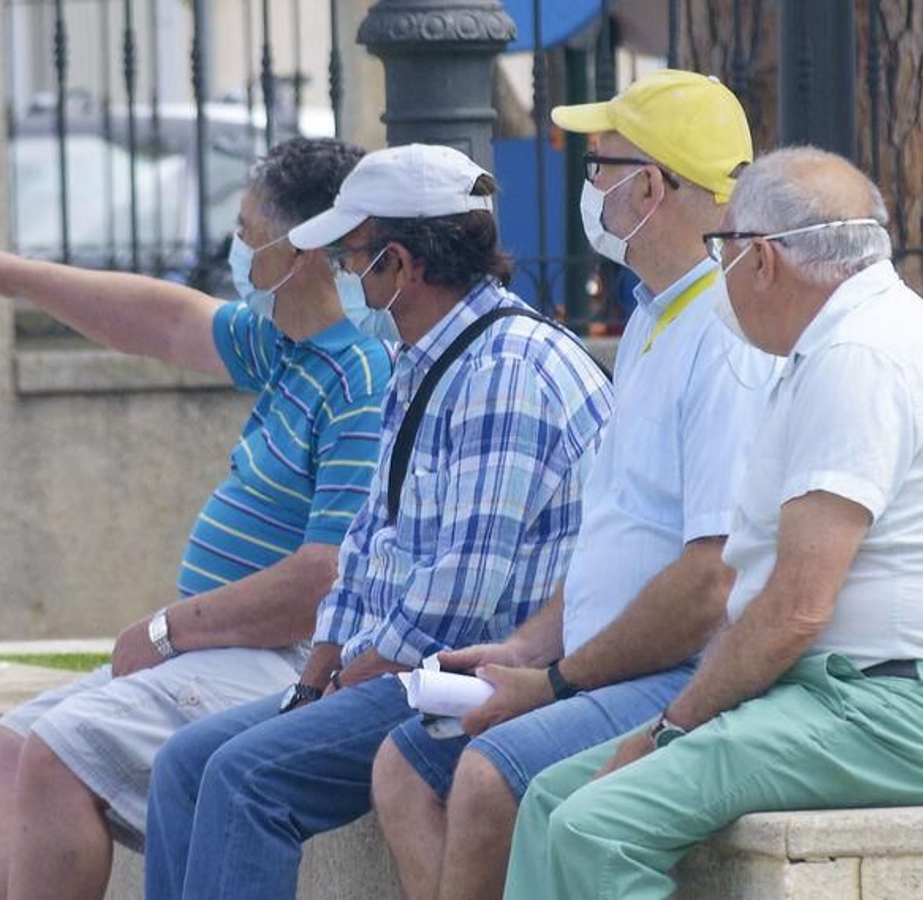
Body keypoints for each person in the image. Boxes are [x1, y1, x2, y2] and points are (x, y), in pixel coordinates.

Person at [504, 146, 923, 899]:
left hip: (895, 713)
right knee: (552, 799)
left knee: (595, 826)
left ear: (761, 260)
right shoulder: (841, 343)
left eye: (722, 250)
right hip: (841, 699)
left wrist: (672, 727)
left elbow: (796, 607)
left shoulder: (861, 354)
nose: (716, 273)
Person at [0, 136, 393, 900]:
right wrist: (4, 274)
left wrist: (171, 630)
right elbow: (158, 321)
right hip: (230, 649)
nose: (235, 252)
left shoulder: (361, 372)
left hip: (290, 659)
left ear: (299, 252)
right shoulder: (287, 348)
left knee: (61, 751)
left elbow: (324, 577)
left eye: (245, 233)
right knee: (10, 744)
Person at [141, 143, 614, 900]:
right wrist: (326, 655)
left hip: (472, 678)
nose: (342, 274)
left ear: (400, 264)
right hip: (408, 667)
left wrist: (356, 670)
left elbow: (457, 601)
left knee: (244, 778)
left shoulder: (506, 372)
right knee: (185, 762)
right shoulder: (425, 355)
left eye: (351, 256)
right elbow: (370, 538)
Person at [369, 70, 777, 900]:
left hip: (681, 674)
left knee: (486, 777)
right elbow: (616, 536)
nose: (588, 188)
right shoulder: (656, 315)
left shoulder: (724, 340)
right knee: (406, 763)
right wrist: (528, 647)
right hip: (604, 664)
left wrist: (556, 682)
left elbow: (710, 581)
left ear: (650, 187)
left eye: (599, 168)